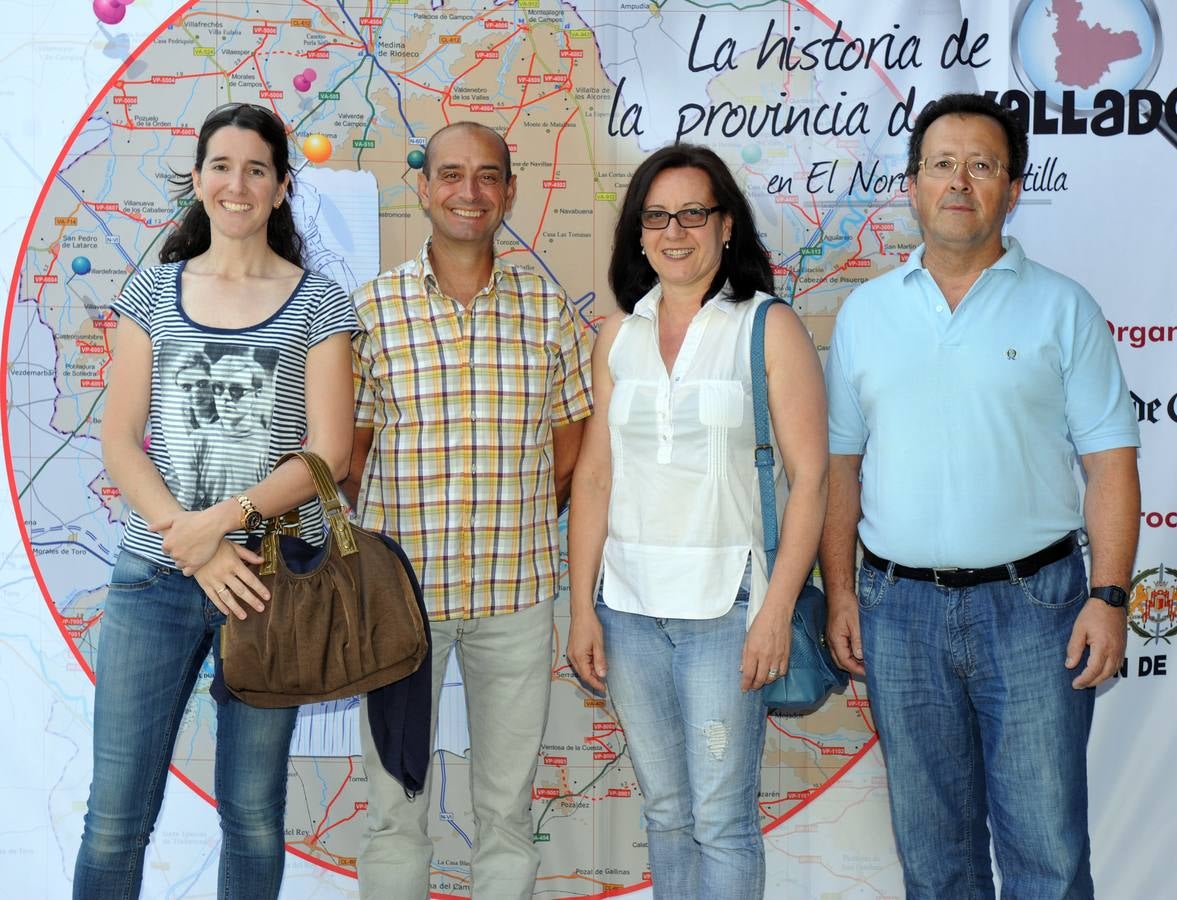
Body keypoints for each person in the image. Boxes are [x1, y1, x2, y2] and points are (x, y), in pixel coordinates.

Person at [819, 92, 1141, 899]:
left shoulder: (1063, 308)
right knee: (934, 861)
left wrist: (1107, 597)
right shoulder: (865, 312)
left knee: (1047, 855)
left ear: (1012, 186)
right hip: (896, 614)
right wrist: (839, 595)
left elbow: (1109, 464)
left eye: (981, 165)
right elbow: (839, 472)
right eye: (940, 164)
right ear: (911, 184)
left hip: (1037, 610)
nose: (958, 181)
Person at [72, 102, 357, 900]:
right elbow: (121, 440)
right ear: (197, 180)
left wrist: (217, 529)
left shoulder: (323, 303)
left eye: (256, 169)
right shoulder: (152, 291)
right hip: (154, 579)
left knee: (255, 816)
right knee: (115, 818)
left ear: (281, 187)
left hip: (270, 583)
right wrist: (185, 543)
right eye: (222, 166)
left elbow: (327, 454)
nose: (237, 183)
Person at [567, 144, 828, 899]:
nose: (673, 231)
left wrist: (776, 609)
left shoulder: (765, 327)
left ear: (725, 229)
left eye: (692, 213)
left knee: (719, 818)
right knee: (666, 810)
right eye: (656, 216)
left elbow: (810, 479)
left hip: (729, 611)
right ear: (637, 233)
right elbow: (593, 476)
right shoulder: (617, 335)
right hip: (630, 613)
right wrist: (582, 607)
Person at [344, 121, 592, 899]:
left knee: (507, 814)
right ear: (423, 188)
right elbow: (350, 455)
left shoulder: (547, 309)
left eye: (488, 176)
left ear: (510, 192)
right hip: (399, 607)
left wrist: (512, 514)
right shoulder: (372, 311)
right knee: (394, 812)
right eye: (451, 174)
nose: (470, 192)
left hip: (514, 599)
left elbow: (569, 445)